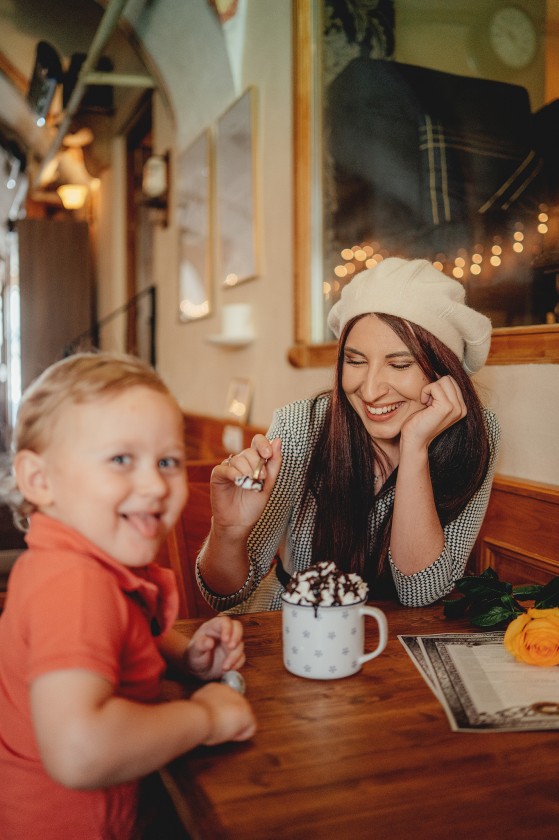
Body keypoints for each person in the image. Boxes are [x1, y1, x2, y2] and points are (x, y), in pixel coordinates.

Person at [0, 352, 256, 840]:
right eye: (121, 459)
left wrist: (187, 658)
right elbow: (80, 751)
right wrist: (203, 717)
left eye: (167, 461)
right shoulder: (73, 584)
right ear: (40, 480)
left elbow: (119, 634)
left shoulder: (95, 562)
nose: (154, 484)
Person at [196, 257, 500, 613]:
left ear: (442, 369)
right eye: (355, 362)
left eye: (399, 365)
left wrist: (415, 446)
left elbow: (421, 592)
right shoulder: (301, 427)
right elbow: (227, 594)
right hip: (296, 631)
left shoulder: (476, 435)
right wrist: (227, 531)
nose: (370, 391)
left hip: (396, 646)